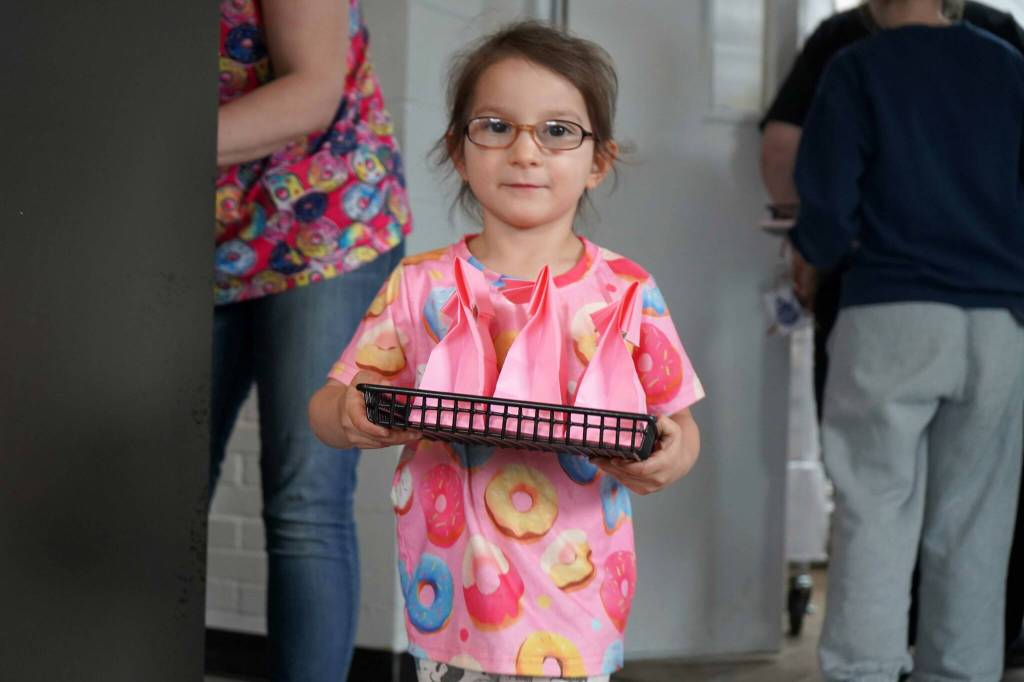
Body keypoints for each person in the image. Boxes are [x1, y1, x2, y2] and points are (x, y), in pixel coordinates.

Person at [308, 21, 703, 682]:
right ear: (459, 152)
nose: (526, 152)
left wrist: (669, 458)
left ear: (598, 161)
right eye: (495, 126)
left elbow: (679, 424)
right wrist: (348, 415)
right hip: (452, 602)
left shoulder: (627, 291)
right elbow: (326, 407)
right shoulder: (423, 285)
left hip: (580, 606)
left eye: (557, 131)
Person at [760, 0, 1024, 656]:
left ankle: (863, 673)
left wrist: (811, 259)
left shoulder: (856, 66)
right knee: (975, 523)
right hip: (999, 323)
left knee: (875, 510)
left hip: (889, 315)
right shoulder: (1009, 65)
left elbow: (825, 199)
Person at [213, 0, 411, 679]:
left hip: (323, 221)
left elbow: (311, 91)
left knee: (304, 502)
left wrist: (146, 141)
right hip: (196, 229)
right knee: (158, 493)